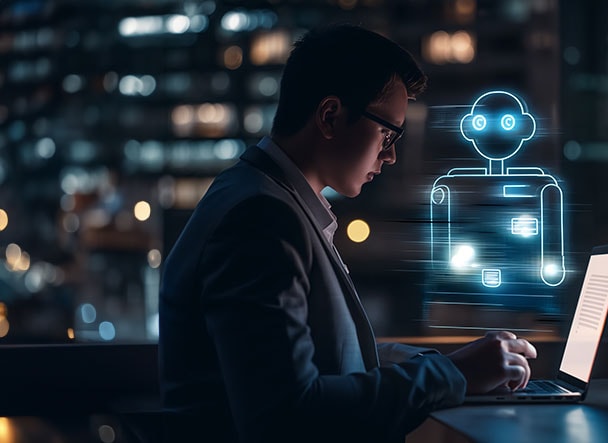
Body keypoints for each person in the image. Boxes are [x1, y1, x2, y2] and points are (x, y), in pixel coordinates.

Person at [158, 23, 537, 442]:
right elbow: (286, 414)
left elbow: (324, 362)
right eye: (386, 133)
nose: (390, 155)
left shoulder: (267, 199)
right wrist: (452, 373)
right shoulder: (261, 218)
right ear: (330, 117)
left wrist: (444, 365)